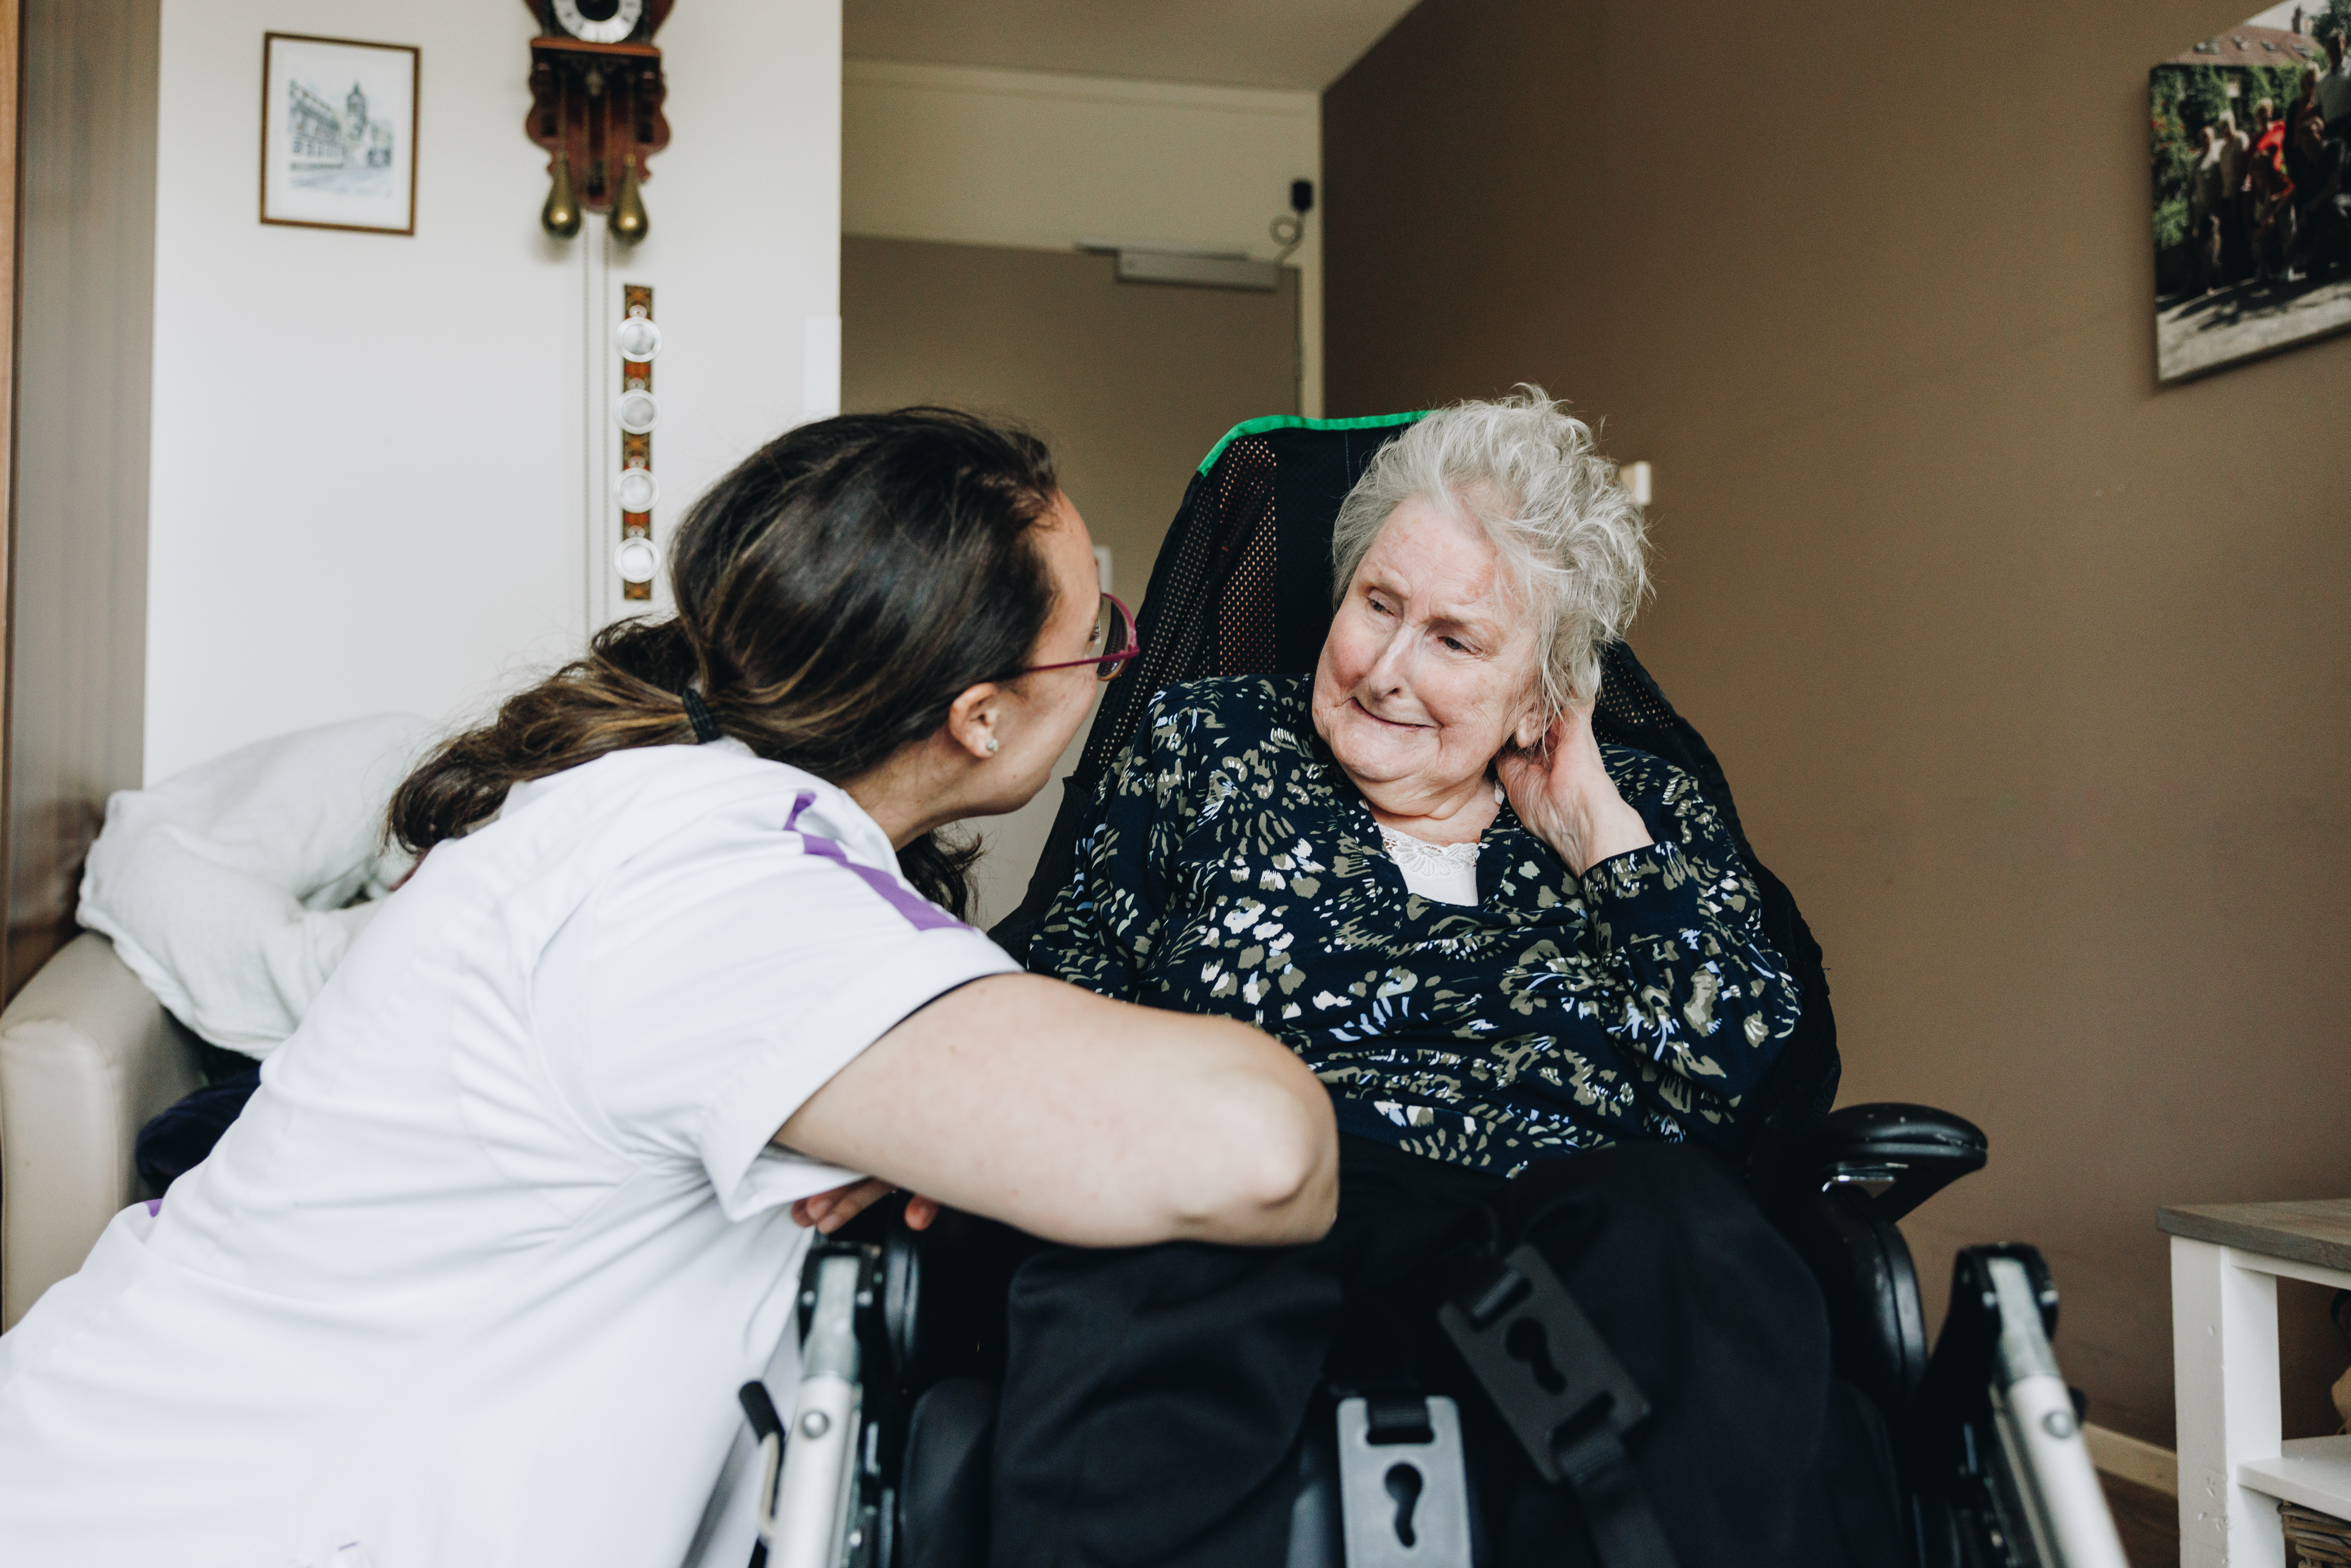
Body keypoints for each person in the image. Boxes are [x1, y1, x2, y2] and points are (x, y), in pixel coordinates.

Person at [0, 409, 1340, 1568]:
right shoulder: (720, 890)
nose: (1113, 654)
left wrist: (921, 1104)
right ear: (982, 715)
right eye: (1099, 634)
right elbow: (1258, 1145)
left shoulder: (675, 818)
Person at [990, 391, 1897, 1568]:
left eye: (1456, 641)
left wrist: (1598, 836)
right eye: (1377, 603)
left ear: (1546, 690)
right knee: (1147, 1247)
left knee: (1689, 1233)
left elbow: (1743, 1092)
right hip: (1266, 1205)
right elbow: (1068, 978)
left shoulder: (1644, 814)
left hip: (1568, 1239)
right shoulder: (1206, 744)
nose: (1384, 670)